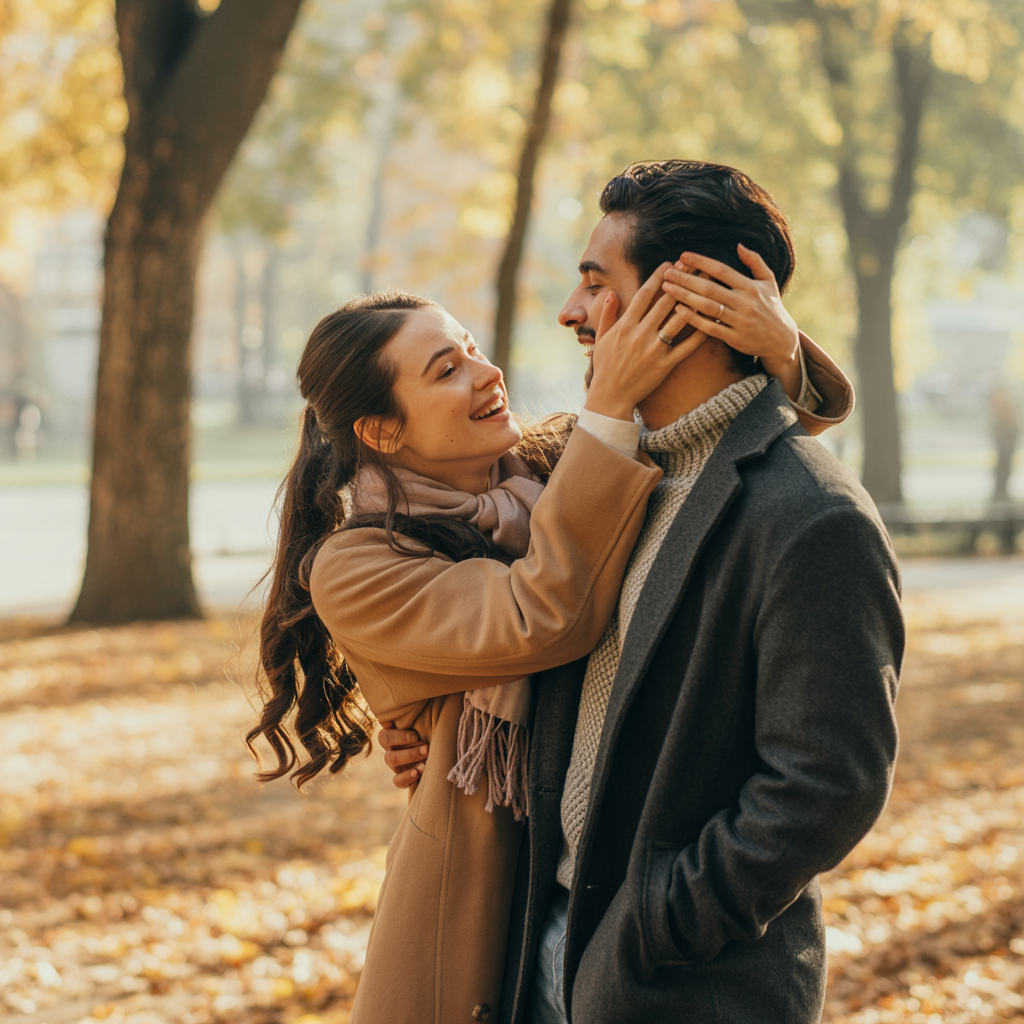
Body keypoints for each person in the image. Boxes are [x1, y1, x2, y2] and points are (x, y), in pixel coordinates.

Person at [247, 215, 849, 1022]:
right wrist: (608, 405)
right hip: (492, 915)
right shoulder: (356, 565)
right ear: (383, 430)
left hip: (618, 917)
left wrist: (778, 348)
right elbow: (542, 615)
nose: (485, 372)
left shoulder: (558, 468)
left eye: (470, 347)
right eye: (446, 369)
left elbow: (734, 459)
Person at [381, 160, 903, 1024]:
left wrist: (654, 921)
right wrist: (431, 727)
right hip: (534, 954)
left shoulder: (813, 518)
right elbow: (533, 633)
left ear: (686, 301)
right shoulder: (599, 480)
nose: (569, 312)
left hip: (677, 982)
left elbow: (826, 786)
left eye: (596, 282)